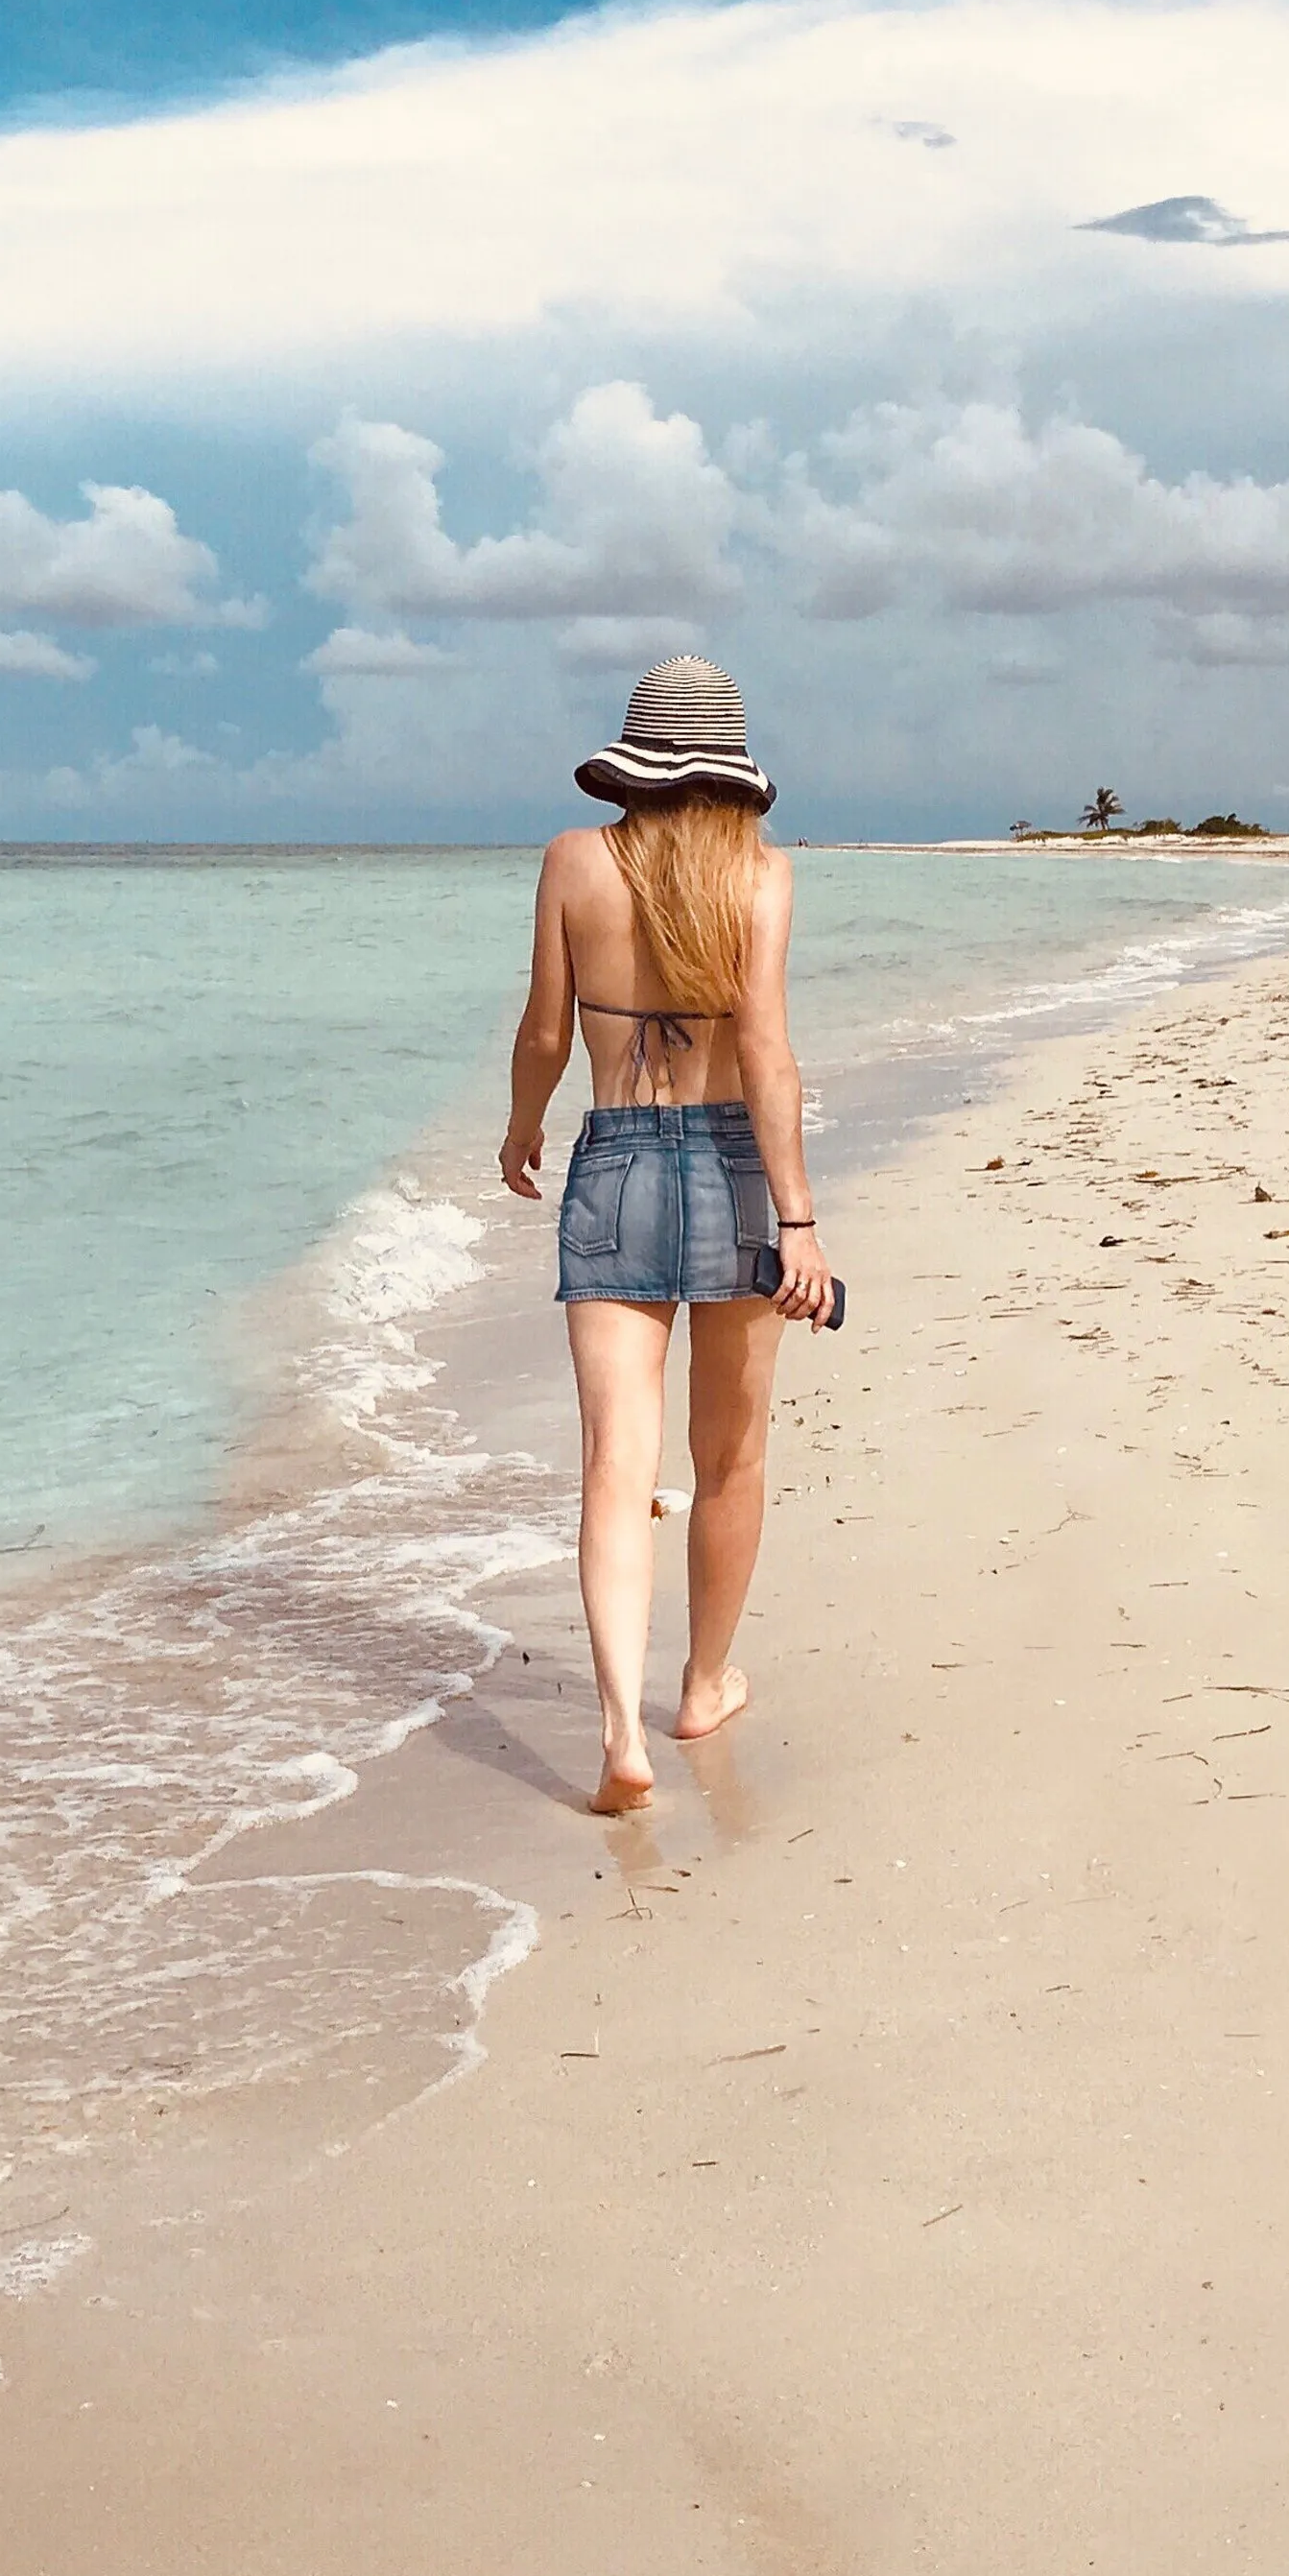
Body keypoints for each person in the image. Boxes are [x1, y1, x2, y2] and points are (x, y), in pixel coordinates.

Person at [496, 658, 834, 1814]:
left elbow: (544, 1032)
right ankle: (697, 1686)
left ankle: (613, 1734)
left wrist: (518, 1131)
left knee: (614, 1462)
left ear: (631, 763)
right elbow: (771, 1055)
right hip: (738, 1164)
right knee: (729, 1453)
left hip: (618, 1159)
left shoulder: (571, 860)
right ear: (731, 770)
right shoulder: (761, 874)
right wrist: (797, 1221)